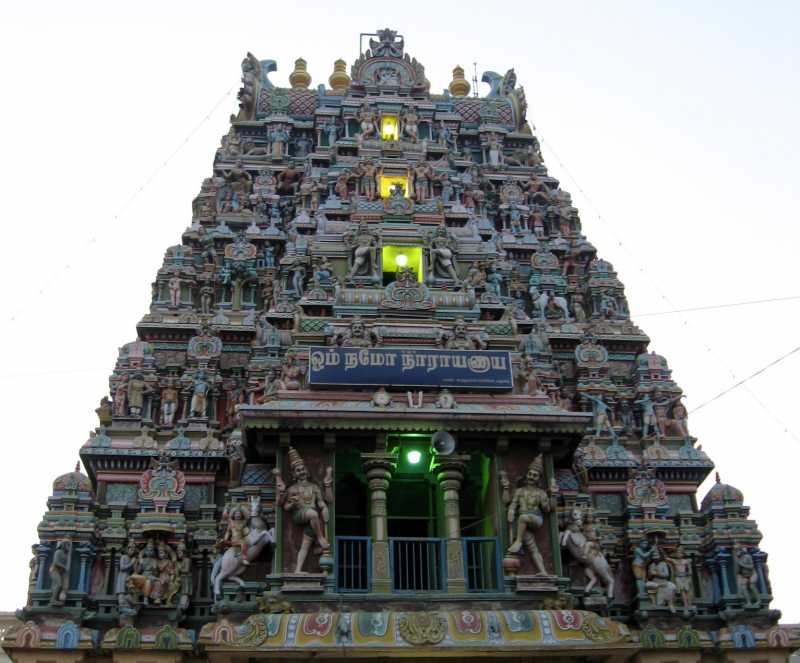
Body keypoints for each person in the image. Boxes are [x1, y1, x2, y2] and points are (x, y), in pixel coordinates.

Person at [274, 447, 333, 573]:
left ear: (306, 470)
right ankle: (320, 538)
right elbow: (284, 506)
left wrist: (324, 508)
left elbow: (322, 502)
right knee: (312, 513)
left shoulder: (314, 487)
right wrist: (292, 504)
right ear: (294, 474)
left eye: (303, 469)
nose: (301, 472)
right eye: (298, 470)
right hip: (299, 514)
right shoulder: (292, 489)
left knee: (305, 545)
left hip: (313, 519)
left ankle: (298, 569)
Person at [503, 455, 556, 575]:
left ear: (539, 478)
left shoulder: (541, 493)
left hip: (536, 519)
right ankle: (543, 571)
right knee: (532, 547)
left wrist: (553, 495)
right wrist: (511, 510)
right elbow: (513, 504)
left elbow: (548, 509)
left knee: (523, 518)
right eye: (530, 474)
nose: (531, 477)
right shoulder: (519, 491)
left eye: (535, 475)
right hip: (523, 524)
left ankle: (518, 542)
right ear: (527, 475)